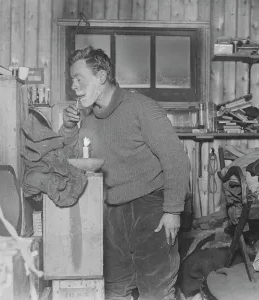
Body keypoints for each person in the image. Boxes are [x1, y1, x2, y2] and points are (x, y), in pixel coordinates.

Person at [60, 46, 191, 300]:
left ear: (100, 77)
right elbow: (67, 161)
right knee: (112, 290)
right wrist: (67, 129)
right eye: (72, 80)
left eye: (79, 79)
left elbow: (176, 159)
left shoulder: (141, 107)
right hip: (113, 211)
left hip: (152, 207)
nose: (74, 86)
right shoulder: (86, 118)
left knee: (156, 291)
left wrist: (173, 210)